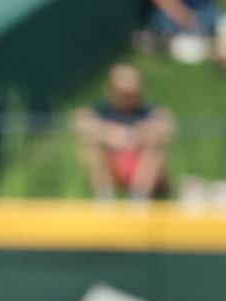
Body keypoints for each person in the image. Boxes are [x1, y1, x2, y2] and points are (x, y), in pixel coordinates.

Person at [74, 65, 175, 201]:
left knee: (154, 146)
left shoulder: (149, 112)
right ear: (112, 91)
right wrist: (112, 135)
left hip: (143, 168)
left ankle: (139, 197)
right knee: (92, 144)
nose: (128, 98)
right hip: (112, 166)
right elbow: (81, 121)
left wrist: (137, 136)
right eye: (123, 93)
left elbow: (166, 124)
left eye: (132, 93)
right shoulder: (101, 111)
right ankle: (105, 195)